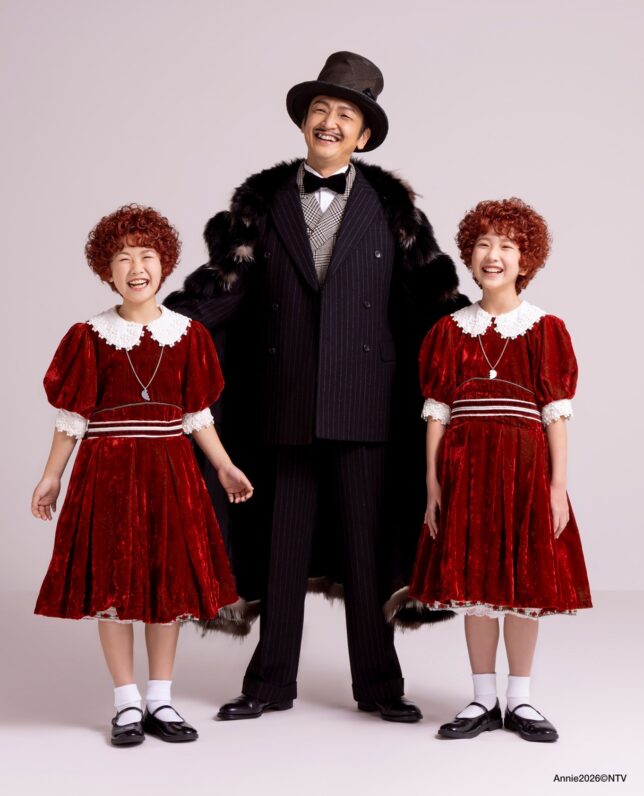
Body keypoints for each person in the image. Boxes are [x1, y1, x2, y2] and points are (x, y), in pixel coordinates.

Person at [166, 51, 468, 723]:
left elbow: (433, 303)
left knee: (369, 552)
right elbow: (221, 289)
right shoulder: (260, 202)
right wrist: (154, 327)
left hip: (368, 401)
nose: (330, 122)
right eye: (320, 110)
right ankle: (269, 684)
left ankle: (380, 687)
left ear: (364, 134)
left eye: (345, 115)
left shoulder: (393, 208)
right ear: (304, 121)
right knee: (282, 550)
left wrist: (489, 337)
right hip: (285, 398)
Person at [31, 205, 253, 746]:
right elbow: (73, 417)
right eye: (123, 258)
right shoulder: (89, 336)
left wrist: (224, 465)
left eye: (147, 255)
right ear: (106, 271)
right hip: (106, 476)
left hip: (170, 474)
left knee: (166, 583)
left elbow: (196, 415)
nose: (136, 268)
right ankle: (126, 702)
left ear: (164, 263)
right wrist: (51, 476)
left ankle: (160, 699)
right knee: (114, 586)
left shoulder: (188, 335)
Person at [408, 198, 592, 741]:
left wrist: (557, 486)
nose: (494, 255)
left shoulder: (545, 329)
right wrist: (433, 483)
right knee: (476, 583)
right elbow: (438, 413)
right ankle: (482, 698)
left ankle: (521, 699)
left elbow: (554, 413)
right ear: (469, 255)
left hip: (525, 473)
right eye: (484, 244)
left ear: (525, 259)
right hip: (465, 474)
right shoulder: (448, 332)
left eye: (508, 246)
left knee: (522, 584)